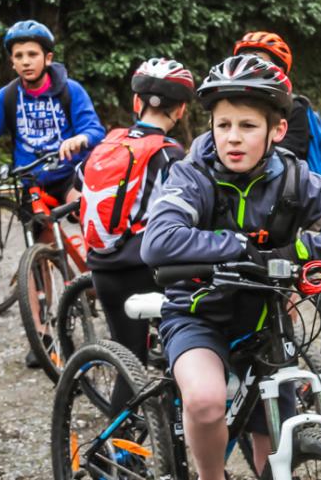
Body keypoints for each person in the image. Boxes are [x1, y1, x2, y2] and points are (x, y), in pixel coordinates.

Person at [140, 54, 321, 479]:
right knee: (206, 402)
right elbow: (157, 241)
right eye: (223, 125)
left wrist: (300, 250)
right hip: (198, 315)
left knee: (275, 438)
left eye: (247, 126)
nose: (233, 138)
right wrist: (238, 246)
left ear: (276, 130)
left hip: (267, 323)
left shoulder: (294, 179)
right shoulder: (192, 176)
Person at [76, 58, 193, 400]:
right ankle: (174, 412)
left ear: (136, 102)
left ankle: (122, 433)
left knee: (130, 363)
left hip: (103, 268)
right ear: (181, 110)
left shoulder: (109, 142)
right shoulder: (169, 154)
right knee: (183, 345)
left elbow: (80, 182)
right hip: (146, 269)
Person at [0, 20, 105, 203]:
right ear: (12, 62)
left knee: (81, 206)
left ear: (48, 58)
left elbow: (95, 130)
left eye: (32, 54)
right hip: (30, 182)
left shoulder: (71, 90)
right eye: (18, 56)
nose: (26, 62)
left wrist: (82, 138)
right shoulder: (7, 96)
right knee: (37, 220)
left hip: (68, 176)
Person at [233, 31, 310, 161]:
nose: (248, 68)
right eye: (243, 61)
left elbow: (289, 158)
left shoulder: (294, 109)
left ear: (279, 70)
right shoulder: (229, 103)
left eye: (257, 62)